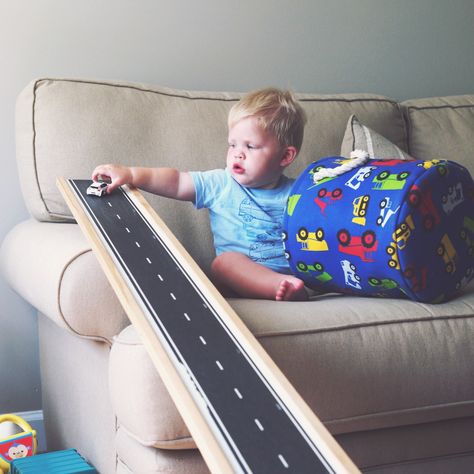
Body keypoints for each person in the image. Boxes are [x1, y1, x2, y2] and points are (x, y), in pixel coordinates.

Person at [91, 87, 308, 301]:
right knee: (224, 263)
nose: (238, 154)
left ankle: (289, 288)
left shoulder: (300, 193)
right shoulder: (221, 183)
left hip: (295, 274)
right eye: (232, 145)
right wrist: (130, 174)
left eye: (250, 146)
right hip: (236, 280)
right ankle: (277, 286)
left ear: (285, 156)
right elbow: (176, 182)